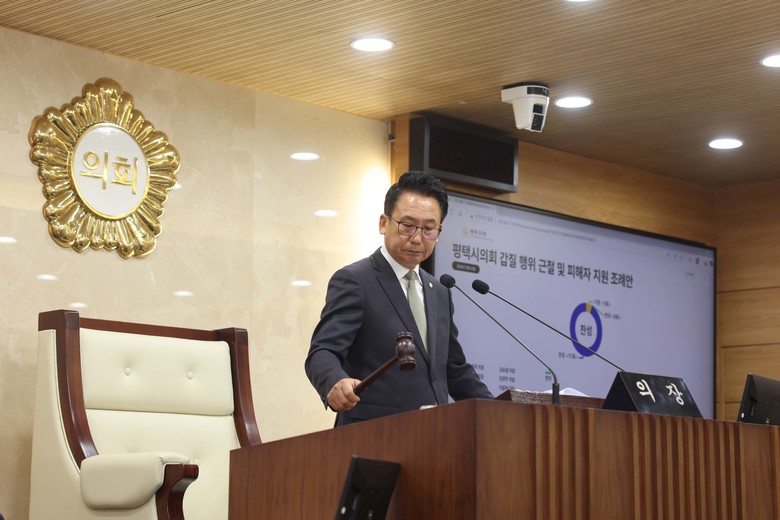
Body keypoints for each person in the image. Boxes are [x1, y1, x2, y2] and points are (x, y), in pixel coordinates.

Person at [305, 170, 493, 426]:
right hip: (374, 432)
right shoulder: (356, 280)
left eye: (428, 229)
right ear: (384, 223)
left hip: (435, 433)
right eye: (407, 225)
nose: (417, 238)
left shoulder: (439, 291)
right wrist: (335, 381)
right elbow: (323, 350)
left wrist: (500, 410)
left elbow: (454, 370)